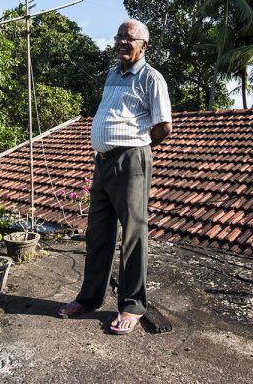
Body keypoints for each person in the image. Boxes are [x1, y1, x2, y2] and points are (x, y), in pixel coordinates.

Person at [58, 19, 172, 335]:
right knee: (98, 232)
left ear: (144, 45)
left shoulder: (151, 78)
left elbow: (164, 126)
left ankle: (132, 306)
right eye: (119, 36)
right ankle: (89, 298)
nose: (122, 42)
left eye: (129, 38)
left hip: (131, 159)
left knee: (133, 234)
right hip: (103, 162)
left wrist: (137, 146)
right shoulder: (112, 74)